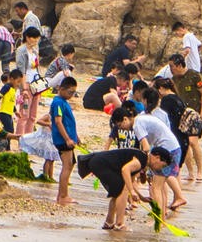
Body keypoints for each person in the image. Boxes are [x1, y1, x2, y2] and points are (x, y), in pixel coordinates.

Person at [128, 95, 184, 213]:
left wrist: (143, 167)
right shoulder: (143, 118)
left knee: (156, 187)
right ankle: (162, 214)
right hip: (175, 147)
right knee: (161, 185)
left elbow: (146, 148)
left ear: (126, 118)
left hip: (166, 150)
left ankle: (158, 220)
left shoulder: (137, 124)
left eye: (120, 125)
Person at [77, 143, 146, 231]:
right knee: (122, 189)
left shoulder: (140, 162)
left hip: (97, 162)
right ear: (157, 158)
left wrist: (141, 197)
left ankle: (109, 223)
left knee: (117, 191)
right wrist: (132, 192)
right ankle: (119, 224)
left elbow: (130, 183)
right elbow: (125, 170)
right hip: (100, 163)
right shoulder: (142, 160)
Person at [47, 75, 82, 206]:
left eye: (73, 92)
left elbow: (69, 123)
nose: (71, 95)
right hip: (62, 140)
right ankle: (63, 196)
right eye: (70, 92)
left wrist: (76, 137)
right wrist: (67, 139)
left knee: (71, 164)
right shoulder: (58, 102)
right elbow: (58, 121)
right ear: (61, 89)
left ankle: (62, 194)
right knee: (67, 166)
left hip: (68, 139)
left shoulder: (64, 102)